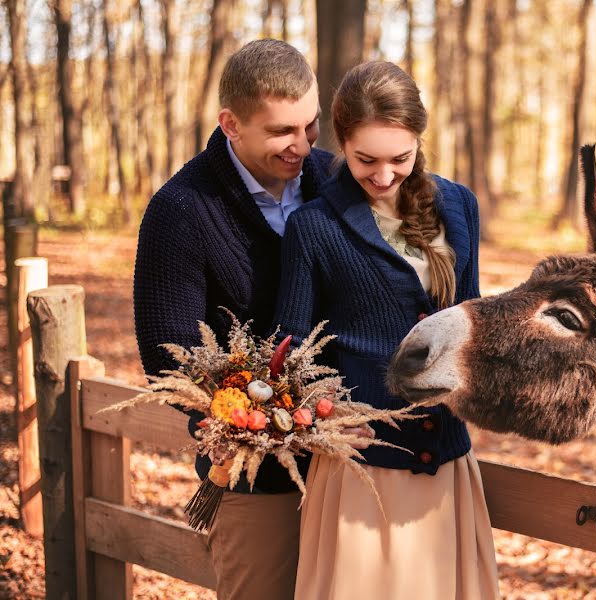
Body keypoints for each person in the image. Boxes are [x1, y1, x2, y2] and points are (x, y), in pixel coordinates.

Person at [273, 61, 500, 600]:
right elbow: (290, 347)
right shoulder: (314, 227)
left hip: (446, 461)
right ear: (340, 144)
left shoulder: (459, 206)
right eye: (364, 160)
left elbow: (469, 320)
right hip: (361, 470)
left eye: (400, 158)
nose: (382, 176)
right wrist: (323, 415)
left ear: (420, 141)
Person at [133, 39, 332, 599]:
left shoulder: (337, 183)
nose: (302, 146)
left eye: (310, 125)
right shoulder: (180, 211)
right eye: (281, 132)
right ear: (231, 124)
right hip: (252, 473)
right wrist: (265, 417)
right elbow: (169, 354)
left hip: (352, 467)